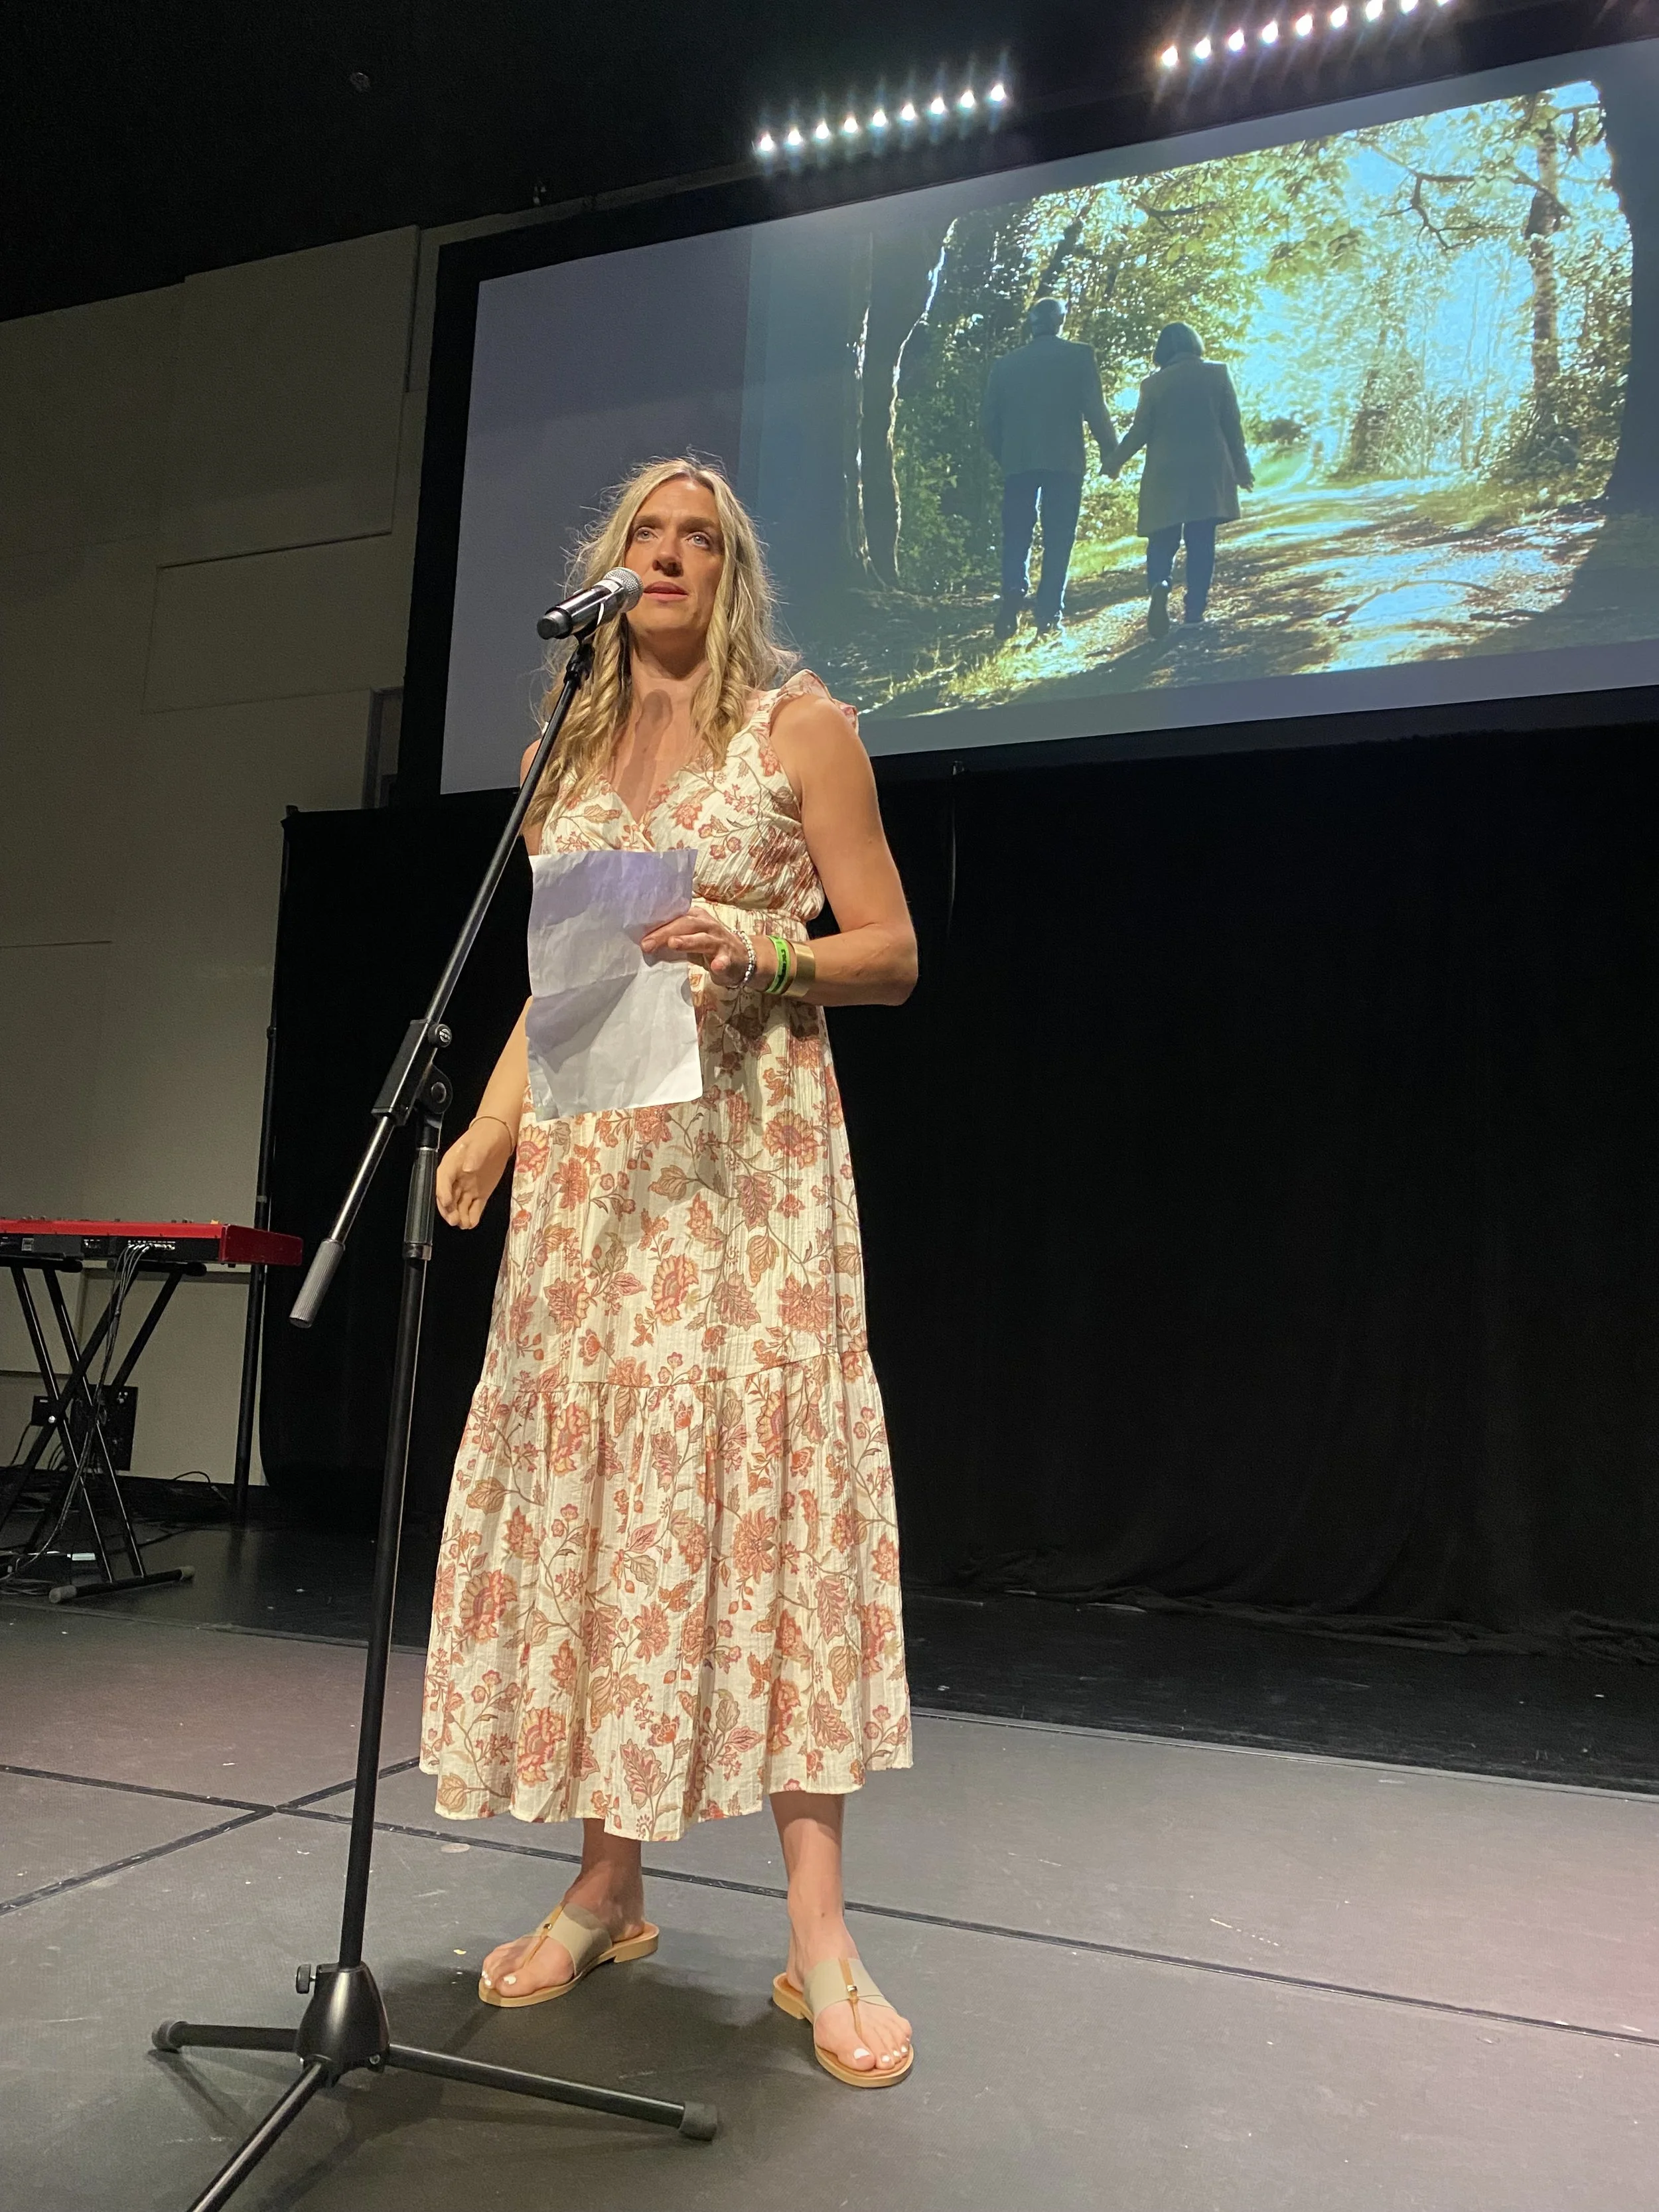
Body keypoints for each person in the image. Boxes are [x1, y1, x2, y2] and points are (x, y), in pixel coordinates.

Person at [421, 457, 919, 2089]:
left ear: (734, 572)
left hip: (744, 1182)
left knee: (766, 1517)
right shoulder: (557, 755)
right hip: (593, 1185)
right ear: (612, 569)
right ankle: (606, 1882)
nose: (676, 554)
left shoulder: (794, 730)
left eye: (704, 537)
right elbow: (560, 986)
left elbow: (892, 950)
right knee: (608, 1520)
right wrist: (492, 1129)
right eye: (652, 534)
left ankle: (820, 1934)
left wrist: (762, 951)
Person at [981, 296, 1118, 638]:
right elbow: (1095, 410)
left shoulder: (1006, 365)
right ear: (1059, 321)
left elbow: (988, 423)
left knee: (1016, 535)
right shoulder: (1079, 356)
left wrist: (1006, 456)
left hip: (1018, 464)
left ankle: (1013, 592)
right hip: (1064, 462)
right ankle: (1049, 616)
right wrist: (1110, 452)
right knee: (1058, 539)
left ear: (1032, 323)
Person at [1111, 321, 1254, 637]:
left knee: (1162, 538)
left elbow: (1140, 431)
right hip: (1207, 469)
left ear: (1163, 351)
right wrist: (1242, 470)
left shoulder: (1153, 385)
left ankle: (1160, 584)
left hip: (1166, 471)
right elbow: (1233, 426)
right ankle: (1194, 610)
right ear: (1195, 344)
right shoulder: (1217, 374)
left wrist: (1115, 462)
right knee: (1201, 540)